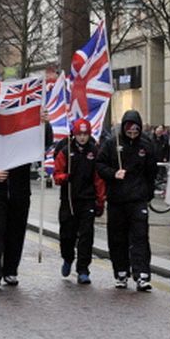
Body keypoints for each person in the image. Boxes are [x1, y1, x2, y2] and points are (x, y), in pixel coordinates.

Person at [96, 110, 158, 291]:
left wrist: (148, 194)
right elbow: (100, 165)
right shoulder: (111, 144)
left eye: (135, 132)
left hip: (137, 199)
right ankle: (121, 272)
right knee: (117, 238)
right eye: (129, 132)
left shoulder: (146, 145)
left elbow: (152, 172)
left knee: (140, 237)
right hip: (117, 200)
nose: (132, 135)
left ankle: (142, 275)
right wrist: (113, 174)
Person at [53, 119, 106, 285]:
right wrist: (65, 178)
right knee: (67, 234)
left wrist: (100, 201)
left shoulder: (95, 151)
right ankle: (68, 258)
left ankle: (83, 269)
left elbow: (99, 179)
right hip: (69, 199)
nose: (82, 137)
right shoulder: (65, 151)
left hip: (87, 200)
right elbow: (56, 174)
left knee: (86, 235)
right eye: (79, 134)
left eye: (85, 134)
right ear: (74, 134)